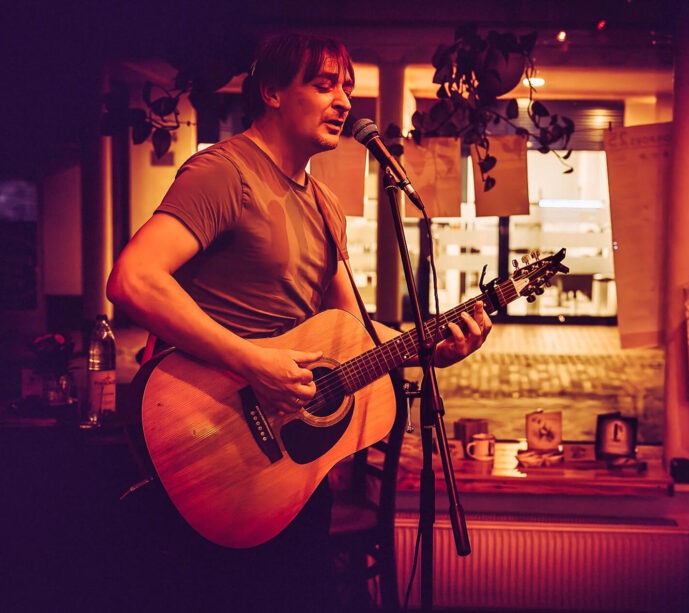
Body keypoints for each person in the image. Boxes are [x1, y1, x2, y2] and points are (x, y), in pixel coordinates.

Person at [106, 32, 491, 612]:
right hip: (212, 435)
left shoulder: (324, 205)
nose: (343, 102)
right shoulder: (224, 173)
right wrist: (251, 362)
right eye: (324, 84)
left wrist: (428, 346)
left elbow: (347, 329)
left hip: (288, 462)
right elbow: (133, 279)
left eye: (347, 89)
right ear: (271, 92)